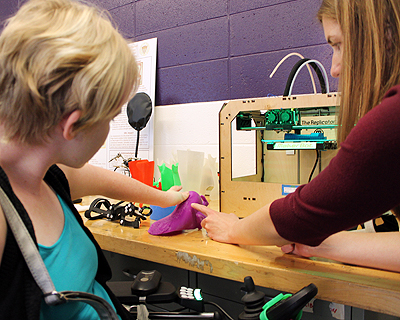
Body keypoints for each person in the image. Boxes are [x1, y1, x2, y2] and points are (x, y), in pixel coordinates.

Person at [0, 0, 188, 319]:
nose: (109, 128)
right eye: (111, 118)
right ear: (72, 126)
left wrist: (168, 198)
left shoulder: (42, 169)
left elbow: (101, 179)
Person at [192, 0, 400, 273]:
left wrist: (234, 229)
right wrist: (324, 244)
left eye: (338, 45)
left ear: (384, 34)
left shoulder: (391, 119)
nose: (335, 68)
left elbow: (299, 214)